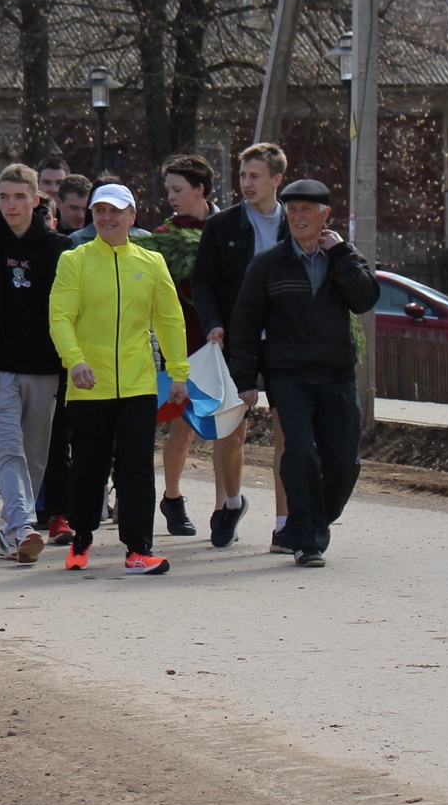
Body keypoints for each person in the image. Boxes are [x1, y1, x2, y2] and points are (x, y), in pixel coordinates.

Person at [226, 178, 375, 569]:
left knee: (344, 462)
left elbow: (364, 299)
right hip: (288, 376)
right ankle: (307, 539)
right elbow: (244, 325)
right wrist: (245, 380)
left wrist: (342, 254)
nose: (298, 216)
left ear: (325, 214)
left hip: (337, 374)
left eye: (307, 209)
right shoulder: (269, 264)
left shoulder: (342, 258)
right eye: (292, 209)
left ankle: (307, 523)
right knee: (301, 454)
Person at [47, 182, 185, 576]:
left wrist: (178, 372)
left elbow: (170, 319)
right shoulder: (74, 260)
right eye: (100, 211)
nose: (107, 218)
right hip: (90, 384)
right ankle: (82, 538)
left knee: (137, 466)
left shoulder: (151, 262)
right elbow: (60, 317)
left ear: (132, 216)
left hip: (139, 383)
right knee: (88, 468)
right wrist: (74, 361)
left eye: (115, 211)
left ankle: (138, 548)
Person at [0, 163, 70, 563]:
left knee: (35, 453)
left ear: (36, 200)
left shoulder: (60, 249)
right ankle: (24, 524)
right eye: (4, 196)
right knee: (8, 449)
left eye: (20, 196)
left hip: (44, 367)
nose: (11, 204)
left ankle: (12, 531)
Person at [191, 142, 292, 549]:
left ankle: (285, 522)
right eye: (242, 175)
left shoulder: (294, 224)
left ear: (276, 180)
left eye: (255, 176)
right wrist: (213, 324)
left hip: (285, 343)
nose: (246, 184)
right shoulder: (223, 226)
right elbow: (203, 282)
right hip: (235, 340)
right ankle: (231, 503)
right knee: (230, 431)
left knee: (290, 435)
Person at [152, 155, 219, 538]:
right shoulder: (163, 237)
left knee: (225, 429)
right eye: (169, 190)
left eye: (178, 190)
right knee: (183, 428)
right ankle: (173, 499)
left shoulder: (226, 228)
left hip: (218, 344)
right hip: (178, 344)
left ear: (200, 190)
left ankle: (226, 505)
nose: (172, 197)